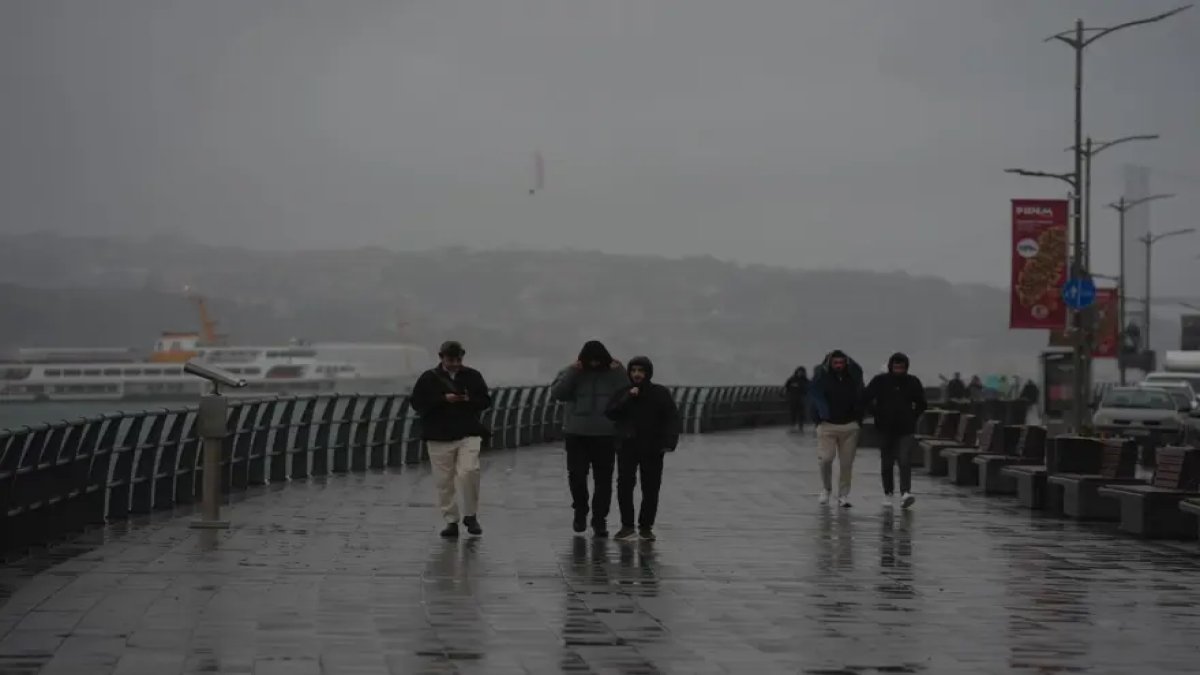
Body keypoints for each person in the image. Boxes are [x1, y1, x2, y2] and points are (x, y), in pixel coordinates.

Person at [409, 341, 492, 538]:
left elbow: (485, 401)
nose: (455, 363)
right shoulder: (428, 378)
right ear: (441, 357)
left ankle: (470, 515)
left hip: (468, 432)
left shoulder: (473, 376)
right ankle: (451, 520)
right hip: (438, 435)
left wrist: (467, 399)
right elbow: (417, 402)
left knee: (469, 471)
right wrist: (442, 399)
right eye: (451, 359)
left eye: (458, 359)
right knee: (444, 481)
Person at [551, 340, 630, 537]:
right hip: (576, 433)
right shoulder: (572, 371)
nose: (594, 364)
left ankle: (599, 519)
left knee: (603, 480)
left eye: (598, 360)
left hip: (606, 434)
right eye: (590, 360)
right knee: (576, 475)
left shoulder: (615, 373)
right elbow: (558, 393)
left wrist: (620, 371)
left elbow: (628, 394)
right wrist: (573, 372)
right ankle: (580, 509)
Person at [605, 356, 680, 542]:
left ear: (648, 373)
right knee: (624, 486)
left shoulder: (660, 393)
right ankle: (627, 526)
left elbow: (672, 418)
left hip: (653, 447)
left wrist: (669, 442)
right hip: (627, 446)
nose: (637, 374)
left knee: (651, 487)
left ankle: (646, 527)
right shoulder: (623, 392)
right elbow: (611, 413)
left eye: (641, 371)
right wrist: (627, 397)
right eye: (633, 370)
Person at [863, 353, 927, 509]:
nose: (898, 370)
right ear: (891, 366)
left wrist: (912, 416)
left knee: (904, 459)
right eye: (896, 367)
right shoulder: (880, 381)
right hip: (885, 428)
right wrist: (876, 412)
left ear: (906, 367)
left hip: (906, 428)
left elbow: (922, 403)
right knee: (887, 462)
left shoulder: (913, 382)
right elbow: (865, 397)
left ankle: (905, 492)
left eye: (901, 367)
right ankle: (888, 493)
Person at [809, 350, 865, 507]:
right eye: (835, 363)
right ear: (830, 363)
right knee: (826, 459)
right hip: (827, 424)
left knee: (846, 463)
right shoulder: (821, 378)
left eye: (841, 363)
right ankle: (826, 489)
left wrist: (858, 419)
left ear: (846, 363)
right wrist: (818, 420)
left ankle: (843, 495)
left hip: (850, 426)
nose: (839, 366)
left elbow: (862, 396)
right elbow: (813, 398)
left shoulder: (853, 378)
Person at [784, 366, 810, 432]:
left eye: (802, 372)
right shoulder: (792, 379)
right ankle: (792, 424)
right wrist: (787, 394)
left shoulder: (805, 380)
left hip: (802, 399)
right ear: (797, 372)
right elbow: (786, 387)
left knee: (801, 413)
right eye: (799, 372)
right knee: (793, 412)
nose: (800, 373)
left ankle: (800, 425)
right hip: (793, 398)